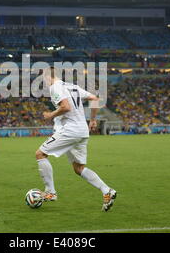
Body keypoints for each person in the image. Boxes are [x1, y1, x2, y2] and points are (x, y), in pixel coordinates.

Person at [35, 68, 117, 212]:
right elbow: (95, 99)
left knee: (40, 154)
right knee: (78, 168)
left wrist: (51, 115)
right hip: (82, 131)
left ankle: (50, 191)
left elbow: (65, 107)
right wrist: (92, 120)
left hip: (70, 130)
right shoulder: (72, 86)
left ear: (48, 77)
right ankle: (107, 190)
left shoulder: (55, 88)